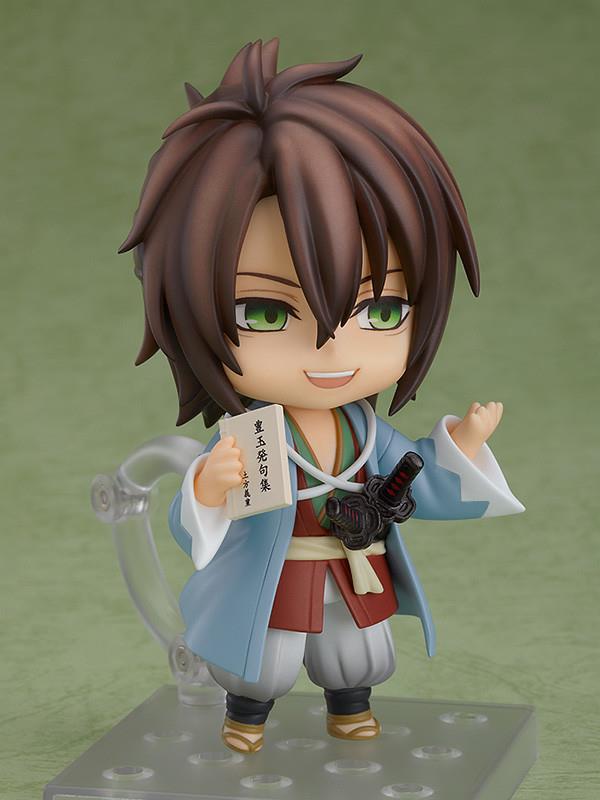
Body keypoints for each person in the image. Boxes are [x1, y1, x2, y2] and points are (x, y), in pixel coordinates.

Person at [119, 38, 524, 754]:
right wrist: (208, 489)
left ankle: (350, 707)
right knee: (264, 659)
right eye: (265, 313)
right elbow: (194, 530)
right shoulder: (251, 436)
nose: (332, 349)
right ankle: (245, 717)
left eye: (382, 310)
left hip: (352, 561)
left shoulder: (369, 436)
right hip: (273, 574)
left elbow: (419, 486)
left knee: (355, 651)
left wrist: (458, 451)